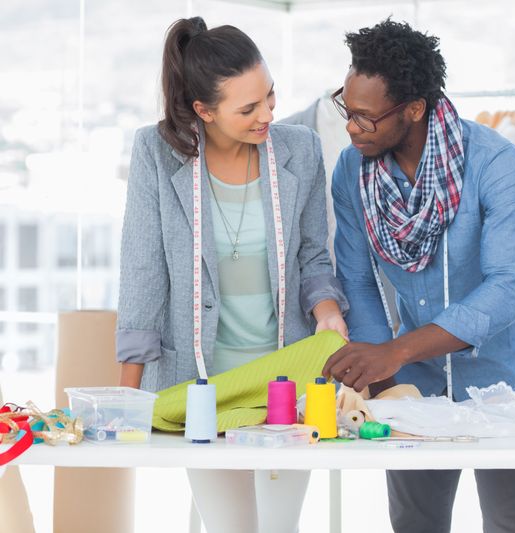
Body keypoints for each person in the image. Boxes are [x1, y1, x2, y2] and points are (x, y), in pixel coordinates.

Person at [115, 17, 348, 533]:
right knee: (229, 527)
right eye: (248, 108)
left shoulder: (300, 150)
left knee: (279, 526)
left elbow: (314, 255)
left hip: (286, 380)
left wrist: (328, 311)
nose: (268, 114)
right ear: (204, 110)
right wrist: (124, 407)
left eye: (270, 96)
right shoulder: (157, 153)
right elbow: (142, 271)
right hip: (203, 386)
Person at [322, 19, 515, 533]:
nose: (351, 127)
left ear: (414, 109)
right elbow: (357, 280)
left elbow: (507, 288)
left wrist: (397, 349)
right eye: (347, 109)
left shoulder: (497, 164)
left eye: (365, 117)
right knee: (414, 524)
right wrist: (381, 374)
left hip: (504, 385)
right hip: (412, 389)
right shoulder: (352, 171)